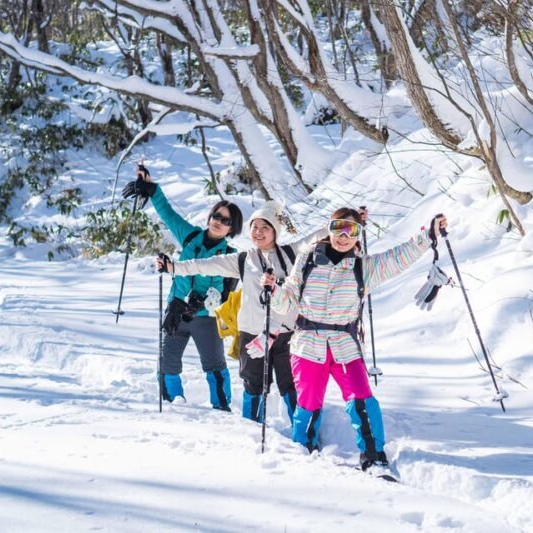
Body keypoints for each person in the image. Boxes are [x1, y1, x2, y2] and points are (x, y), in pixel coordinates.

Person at [265, 207, 448, 476]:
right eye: (338, 227)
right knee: (308, 402)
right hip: (307, 343)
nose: (343, 235)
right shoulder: (306, 260)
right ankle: (303, 449)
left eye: (351, 230)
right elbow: (288, 300)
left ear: (358, 234)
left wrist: (428, 235)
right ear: (329, 228)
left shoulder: (364, 266)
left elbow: (399, 257)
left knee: (362, 398)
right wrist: (274, 291)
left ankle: (374, 456)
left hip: (345, 345)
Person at [162, 201, 325, 424]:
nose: (258, 232)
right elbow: (204, 265)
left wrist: (347, 222)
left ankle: (303, 433)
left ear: (275, 231)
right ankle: (251, 427)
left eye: (264, 227)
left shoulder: (291, 253)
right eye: (254, 227)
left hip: (285, 333)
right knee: (252, 383)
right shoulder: (242, 259)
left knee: (290, 383)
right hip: (252, 332)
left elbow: (315, 238)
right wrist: (173, 267)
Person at [122, 167, 243, 411]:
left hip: (206, 317)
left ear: (232, 229)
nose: (219, 222)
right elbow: (168, 214)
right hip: (176, 310)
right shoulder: (190, 237)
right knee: (168, 362)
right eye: (216, 216)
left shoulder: (230, 256)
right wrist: (152, 188)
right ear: (210, 217)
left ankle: (221, 409)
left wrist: (203, 301)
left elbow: (228, 287)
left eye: (226, 221)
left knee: (214, 364)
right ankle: (173, 407)